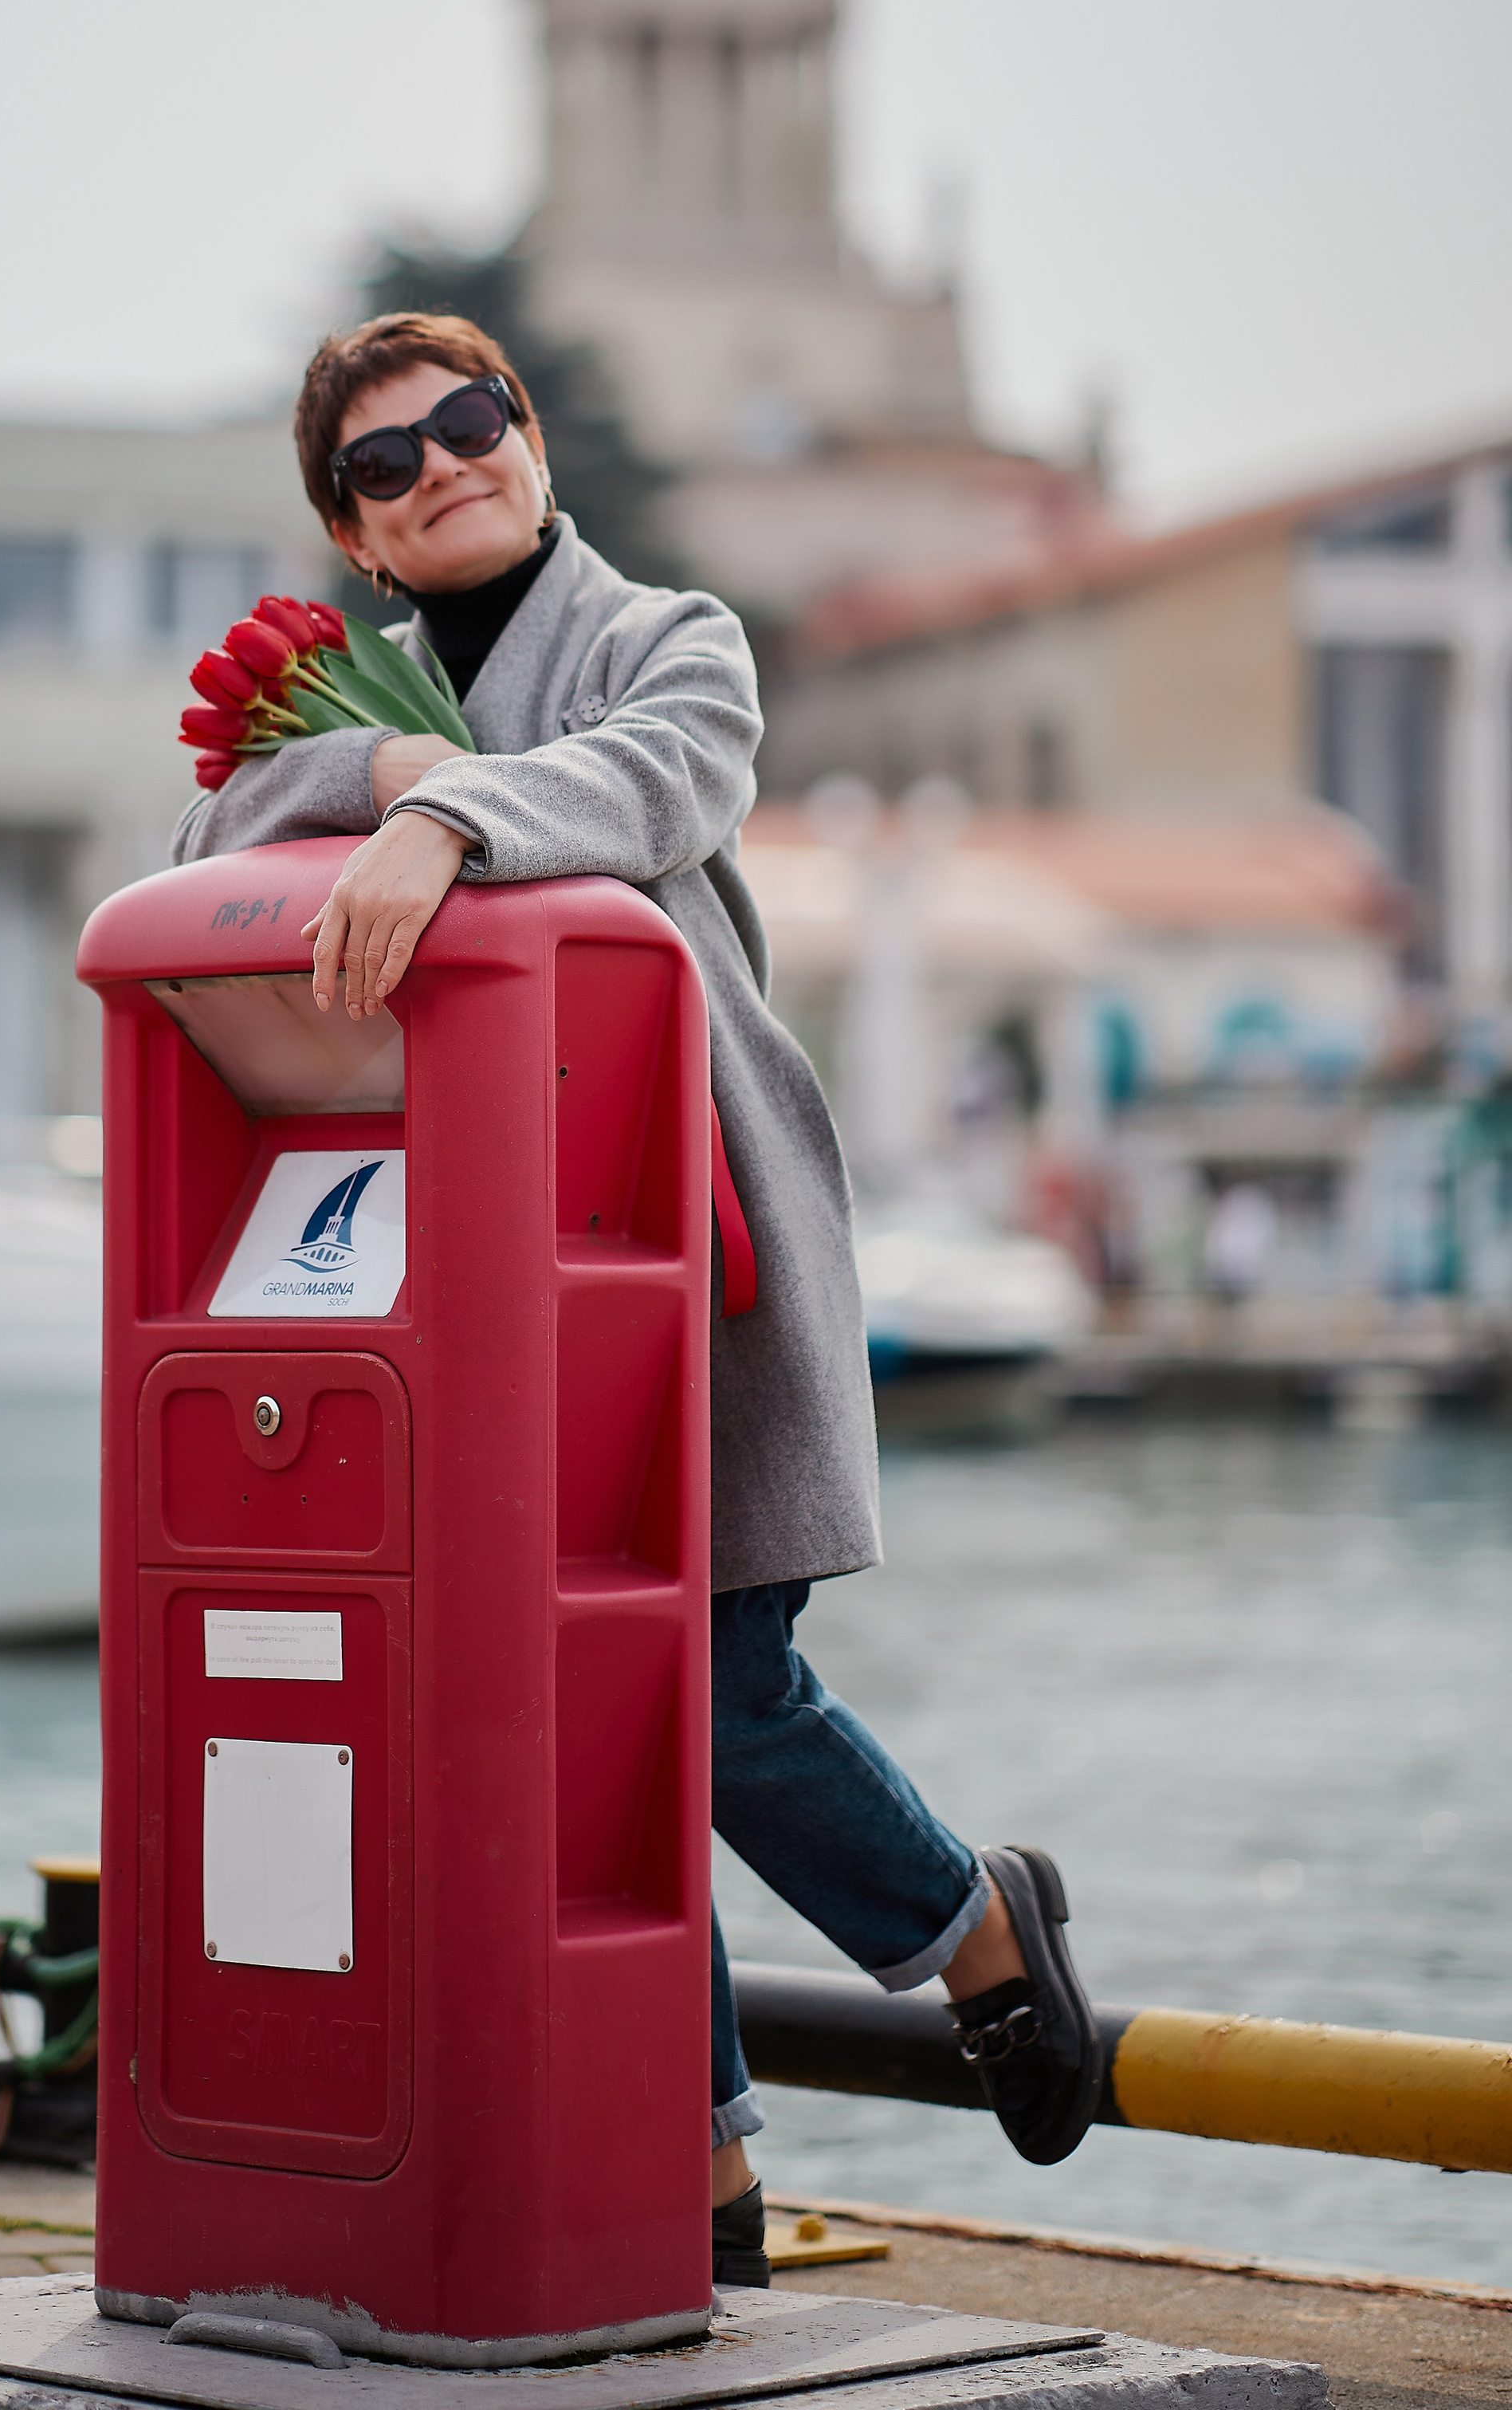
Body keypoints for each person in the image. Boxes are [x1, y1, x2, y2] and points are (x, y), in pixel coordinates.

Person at [172, 313, 1101, 2286]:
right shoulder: (358, 691)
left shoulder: (670, 636)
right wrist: (387, 754)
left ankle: (971, 1931)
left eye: (469, 421)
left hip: (694, 1234)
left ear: (527, 433)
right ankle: (703, 2179)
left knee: (713, 1698)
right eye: (383, 463)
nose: (441, 466)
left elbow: (657, 784)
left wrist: (438, 819)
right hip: (471, 1288)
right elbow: (203, 844)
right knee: (568, 1735)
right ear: (352, 533)